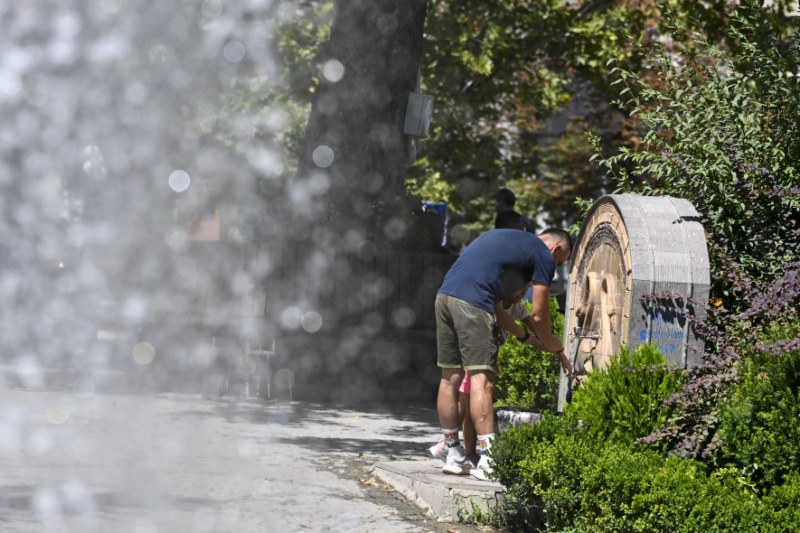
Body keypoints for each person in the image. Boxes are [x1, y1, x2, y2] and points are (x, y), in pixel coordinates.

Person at [434, 227, 573, 480]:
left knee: (449, 378)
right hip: (472, 304)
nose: (555, 265)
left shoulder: (510, 243)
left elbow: (505, 311)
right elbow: (541, 315)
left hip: (445, 296)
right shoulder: (543, 254)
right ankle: (489, 459)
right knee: (482, 381)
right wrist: (552, 342)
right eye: (560, 262)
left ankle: (452, 452)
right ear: (556, 249)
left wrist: (530, 338)